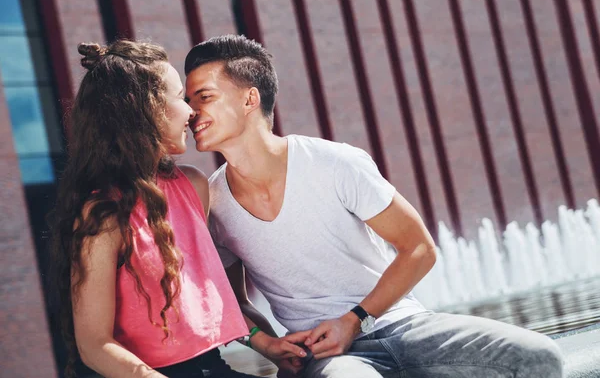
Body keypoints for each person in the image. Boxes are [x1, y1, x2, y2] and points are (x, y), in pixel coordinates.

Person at [182, 34, 564, 378]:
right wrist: (267, 344)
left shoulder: (335, 163)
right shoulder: (213, 204)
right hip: (325, 357)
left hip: (402, 325)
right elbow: (232, 299)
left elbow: (418, 248)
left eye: (204, 97)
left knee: (539, 357)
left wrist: (355, 320)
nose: (190, 113)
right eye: (187, 101)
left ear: (250, 98)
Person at [49, 40, 269, 378]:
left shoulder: (194, 185)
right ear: (146, 110)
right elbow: (94, 346)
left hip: (213, 366)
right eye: (180, 97)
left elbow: (216, 298)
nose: (191, 110)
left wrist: (271, 344)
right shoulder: (104, 214)